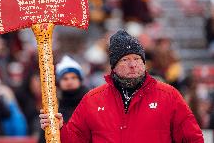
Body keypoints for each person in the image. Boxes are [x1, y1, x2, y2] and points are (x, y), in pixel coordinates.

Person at [39, 29, 204, 143]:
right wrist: (59, 129)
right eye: (125, 60)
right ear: (114, 66)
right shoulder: (93, 100)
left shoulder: (168, 95)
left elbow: (193, 138)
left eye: (137, 59)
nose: (133, 64)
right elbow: (76, 140)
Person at [38, 55, 89, 143]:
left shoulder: (90, 104)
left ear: (80, 80)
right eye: (65, 78)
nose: (69, 81)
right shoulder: (54, 109)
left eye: (73, 77)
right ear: (59, 82)